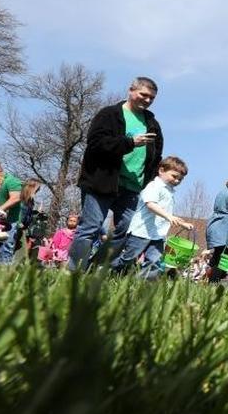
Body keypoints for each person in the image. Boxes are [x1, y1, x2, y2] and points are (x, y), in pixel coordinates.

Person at [68, 77, 164, 270]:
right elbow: (96, 143)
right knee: (91, 228)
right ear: (131, 90)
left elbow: (157, 155)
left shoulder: (152, 123)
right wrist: (130, 143)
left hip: (133, 187)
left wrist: (150, 181)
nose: (147, 100)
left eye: (151, 98)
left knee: (125, 230)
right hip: (102, 182)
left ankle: (96, 268)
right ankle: (75, 271)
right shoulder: (110, 114)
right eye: (143, 95)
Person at [110, 156, 193, 279]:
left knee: (155, 261)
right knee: (129, 258)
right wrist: (169, 216)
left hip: (158, 234)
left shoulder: (169, 192)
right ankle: (113, 273)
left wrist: (181, 223)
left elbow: (165, 213)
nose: (176, 181)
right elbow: (150, 204)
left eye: (180, 179)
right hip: (141, 231)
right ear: (161, 170)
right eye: (174, 176)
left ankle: (143, 283)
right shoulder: (154, 186)